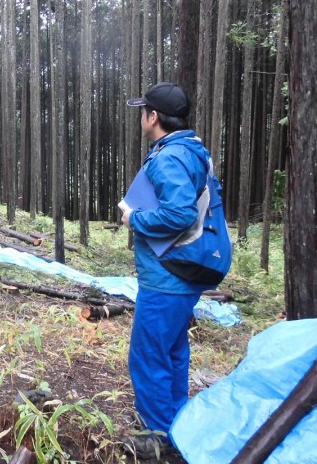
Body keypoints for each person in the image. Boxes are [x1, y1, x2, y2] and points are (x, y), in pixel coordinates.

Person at [120, 82, 217, 460]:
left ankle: (158, 441)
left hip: (167, 277)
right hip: (183, 274)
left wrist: (134, 218)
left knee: (147, 356)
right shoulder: (193, 151)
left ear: (153, 116)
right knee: (174, 352)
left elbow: (179, 213)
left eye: (143, 111)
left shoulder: (168, 158)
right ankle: (177, 428)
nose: (141, 117)